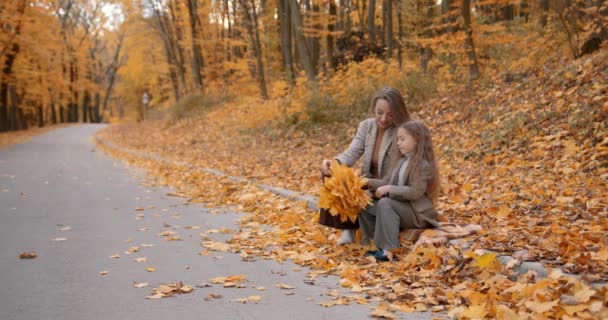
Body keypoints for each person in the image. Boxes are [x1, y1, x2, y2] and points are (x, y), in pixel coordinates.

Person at [319, 87, 411, 245]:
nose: (383, 119)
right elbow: (352, 152)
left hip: (387, 185)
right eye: (379, 112)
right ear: (373, 109)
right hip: (367, 182)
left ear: (398, 112)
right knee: (331, 174)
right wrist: (334, 163)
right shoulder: (366, 126)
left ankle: (363, 230)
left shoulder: (402, 132)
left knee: (356, 187)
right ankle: (347, 229)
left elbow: (395, 176)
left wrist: (368, 186)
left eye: (390, 114)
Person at [360, 120, 441, 261]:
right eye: (398, 139)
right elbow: (387, 182)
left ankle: (388, 250)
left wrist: (390, 189)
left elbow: (415, 192)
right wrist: (367, 183)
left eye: (402, 139)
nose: (398, 143)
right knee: (364, 204)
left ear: (417, 139)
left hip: (416, 213)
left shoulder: (422, 164)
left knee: (385, 203)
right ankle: (373, 243)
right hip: (402, 207)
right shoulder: (402, 161)